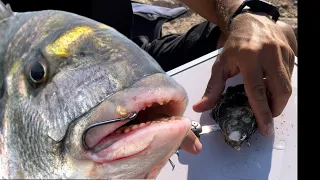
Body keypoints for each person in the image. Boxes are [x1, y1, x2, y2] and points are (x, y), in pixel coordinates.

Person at [3, 0, 297, 155]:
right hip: (35, 93)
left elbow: (232, 13)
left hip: (125, 59)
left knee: (244, 46)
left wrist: (245, 15)